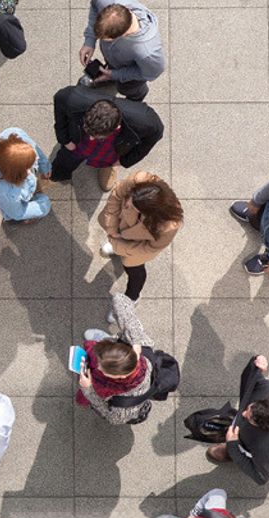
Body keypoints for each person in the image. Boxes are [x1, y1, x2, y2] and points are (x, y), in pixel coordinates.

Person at [50, 85, 163, 191]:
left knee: (108, 159)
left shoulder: (147, 122)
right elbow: (59, 101)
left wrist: (123, 161)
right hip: (77, 143)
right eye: (88, 130)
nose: (90, 138)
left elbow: (154, 135)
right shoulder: (71, 98)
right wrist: (65, 140)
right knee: (64, 161)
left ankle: (108, 167)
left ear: (117, 127)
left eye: (97, 136)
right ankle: (59, 173)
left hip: (112, 150)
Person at [97, 171, 181, 301]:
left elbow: (148, 249)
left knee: (134, 271)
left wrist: (119, 245)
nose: (128, 203)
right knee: (118, 238)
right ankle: (116, 247)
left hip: (136, 248)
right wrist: (112, 229)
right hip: (120, 227)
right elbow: (117, 196)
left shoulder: (168, 227)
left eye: (133, 206)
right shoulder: (139, 180)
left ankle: (132, 298)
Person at [206, 355, 269, 485]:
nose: (243, 413)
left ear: (261, 427)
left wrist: (233, 445)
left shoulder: (264, 447)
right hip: (247, 432)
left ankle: (229, 454)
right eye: (250, 408)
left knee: (238, 448)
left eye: (250, 418)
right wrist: (256, 362)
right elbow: (249, 379)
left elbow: (261, 477)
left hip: (247, 442)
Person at [77, 294, 156, 425]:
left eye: (103, 369)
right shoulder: (141, 342)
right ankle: (107, 338)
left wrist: (88, 389)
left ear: (119, 376)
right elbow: (119, 299)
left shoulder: (126, 403)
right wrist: (135, 340)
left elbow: (113, 418)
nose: (98, 367)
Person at [79, 0, 165, 102]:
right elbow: (95, 5)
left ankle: (135, 101)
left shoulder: (147, 53)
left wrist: (114, 75)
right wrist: (89, 41)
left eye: (106, 39)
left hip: (131, 78)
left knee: (128, 89)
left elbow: (151, 73)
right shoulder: (107, 2)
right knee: (109, 69)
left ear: (123, 35)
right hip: (115, 60)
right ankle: (108, 78)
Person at [0, 128, 52, 223]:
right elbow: (17, 213)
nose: (35, 161)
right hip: (9, 201)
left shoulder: (9, 137)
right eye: (30, 165)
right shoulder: (8, 193)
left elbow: (34, 147)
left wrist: (44, 165)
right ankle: (16, 221)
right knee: (14, 213)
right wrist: (44, 204)